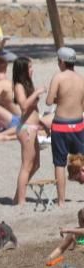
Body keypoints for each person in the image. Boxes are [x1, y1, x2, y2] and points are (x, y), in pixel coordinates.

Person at [3, 57, 47, 205]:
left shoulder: (27, 85)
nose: (32, 70)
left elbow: (33, 111)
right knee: (27, 165)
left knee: (36, 164)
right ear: (23, 70)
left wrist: (43, 124)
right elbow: (23, 106)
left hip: (33, 127)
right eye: (29, 67)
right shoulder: (19, 86)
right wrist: (37, 92)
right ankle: (20, 200)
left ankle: (18, 195)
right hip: (26, 130)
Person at [46, 47, 84, 207]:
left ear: (61, 61)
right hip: (78, 124)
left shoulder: (58, 77)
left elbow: (48, 101)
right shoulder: (81, 78)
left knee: (59, 164)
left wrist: (59, 100)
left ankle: (61, 200)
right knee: (82, 160)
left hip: (61, 125)